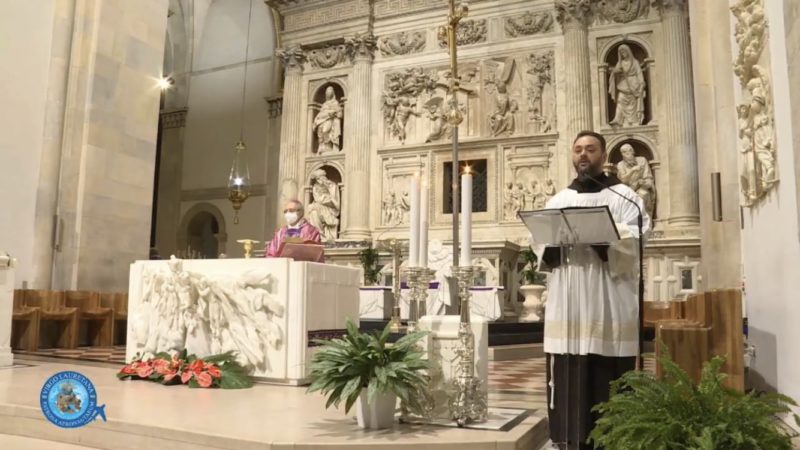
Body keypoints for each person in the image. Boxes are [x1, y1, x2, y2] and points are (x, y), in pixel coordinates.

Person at [535, 130, 650, 449]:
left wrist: (600, 235)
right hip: (568, 298)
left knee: (604, 368)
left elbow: (638, 236)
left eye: (590, 149)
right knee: (567, 366)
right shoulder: (559, 200)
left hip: (606, 297)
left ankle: (611, 440)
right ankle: (566, 437)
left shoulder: (625, 197)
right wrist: (550, 245)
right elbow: (539, 242)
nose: (583, 154)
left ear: (603, 155)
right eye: (578, 150)